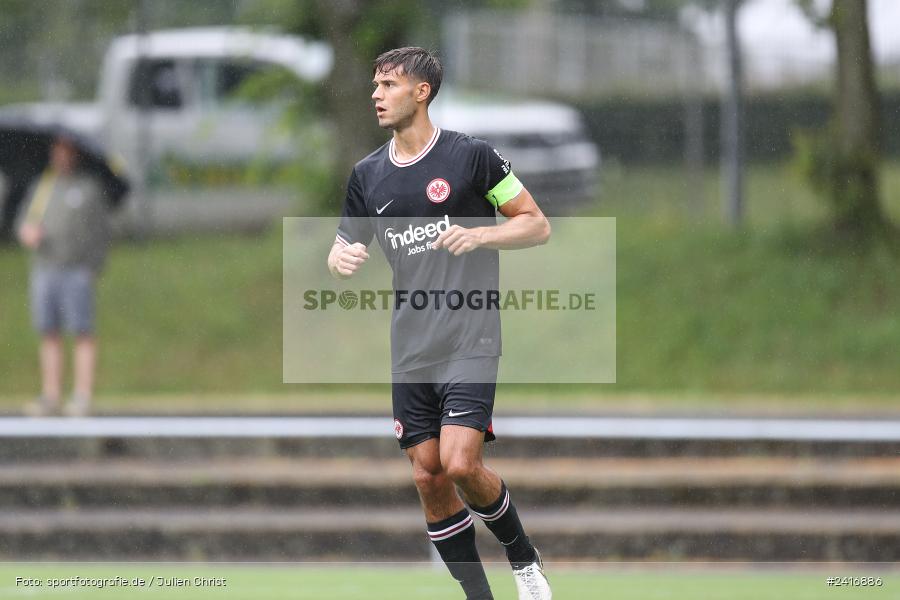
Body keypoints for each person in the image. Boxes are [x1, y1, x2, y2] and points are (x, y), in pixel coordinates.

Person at [327, 47, 552, 600]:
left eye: (388, 84)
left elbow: (535, 224)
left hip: (471, 335)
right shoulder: (368, 174)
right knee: (428, 473)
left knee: (458, 462)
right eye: (374, 84)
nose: (376, 94)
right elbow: (342, 244)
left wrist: (481, 234)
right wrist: (340, 260)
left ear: (421, 92)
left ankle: (523, 560)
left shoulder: (471, 158)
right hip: (411, 346)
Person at [16, 135, 112, 417]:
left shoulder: (88, 189)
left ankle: (82, 394)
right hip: (45, 268)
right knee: (48, 332)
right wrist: (27, 232)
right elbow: (24, 220)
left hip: (76, 269)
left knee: (82, 331)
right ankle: (51, 393)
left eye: (66, 151)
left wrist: (92, 267)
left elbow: (100, 232)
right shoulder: (42, 187)